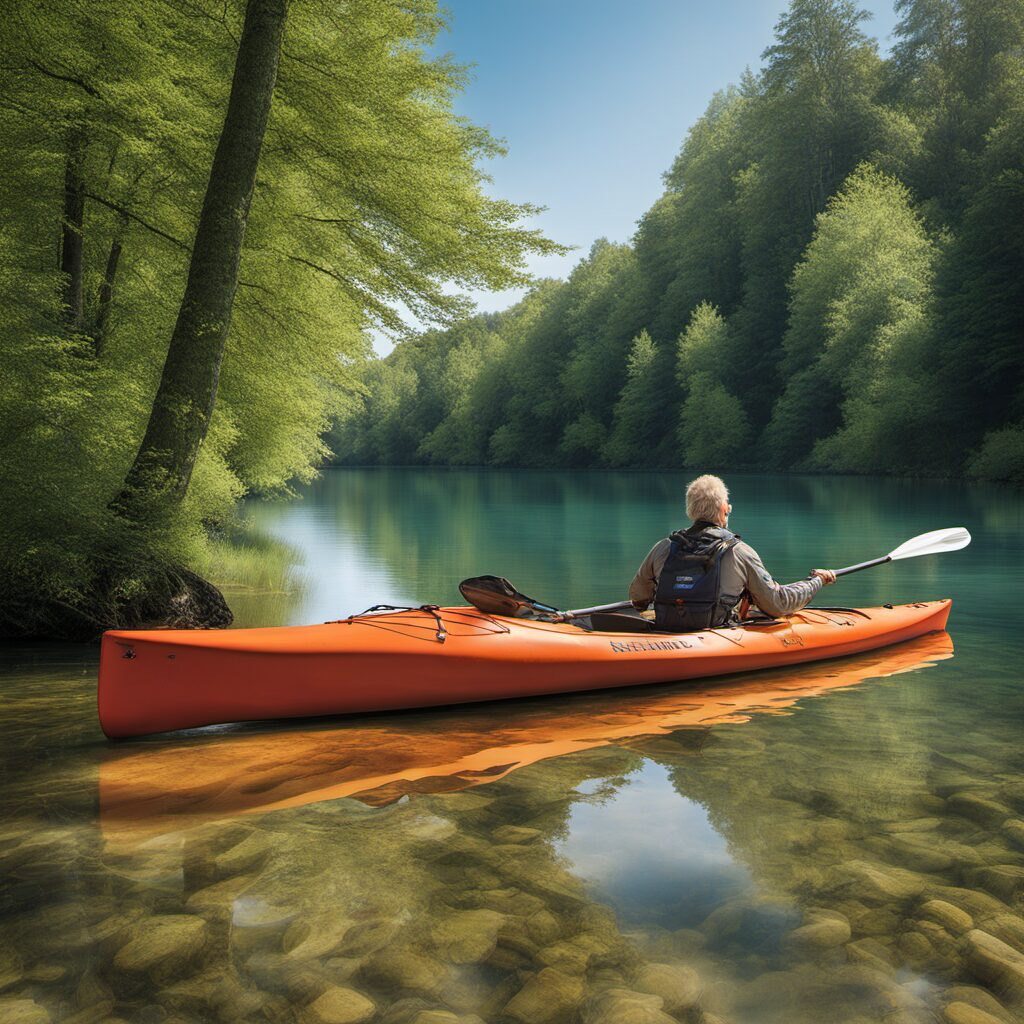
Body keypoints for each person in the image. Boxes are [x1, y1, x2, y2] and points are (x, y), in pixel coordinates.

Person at [629, 474, 836, 632]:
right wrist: (816, 581)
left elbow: (638, 597)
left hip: (666, 629)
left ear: (690, 510)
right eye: (728, 506)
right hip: (713, 634)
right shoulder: (739, 552)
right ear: (723, 509)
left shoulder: (664, 547)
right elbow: (777, 603)